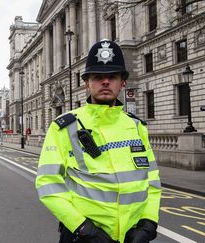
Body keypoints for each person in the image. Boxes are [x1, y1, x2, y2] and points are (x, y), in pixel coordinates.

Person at [35, 39, 161, 243]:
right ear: (87, 83)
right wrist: (83, 228)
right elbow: (48, 183)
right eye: (98, 77)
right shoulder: (64, 127)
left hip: (132, 236)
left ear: (123, 82)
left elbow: (152, 180)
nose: (105, 82)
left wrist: (148, 223)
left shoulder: (136, 127)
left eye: (112, 76)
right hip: (82, 237)